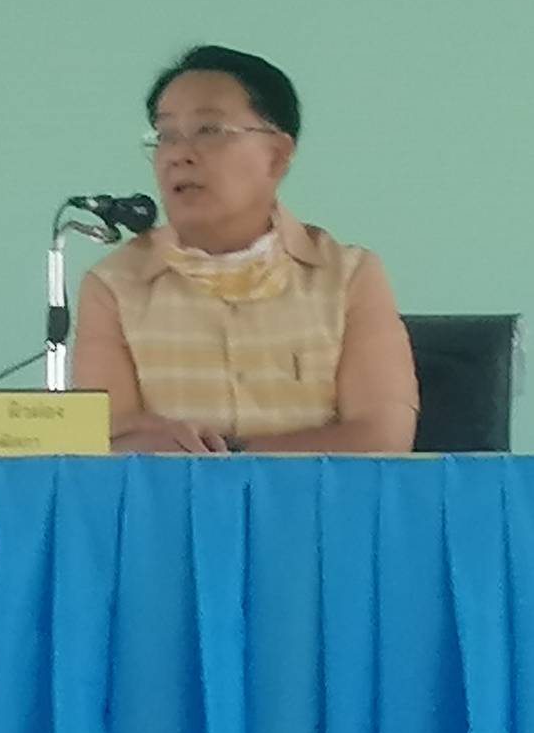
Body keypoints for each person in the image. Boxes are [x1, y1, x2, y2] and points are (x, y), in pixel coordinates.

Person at [73, 45, 418, 454]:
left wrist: (223, 458)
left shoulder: (349, 277)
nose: (178, 155)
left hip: (316, 498)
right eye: (165, 136)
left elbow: (382, 438)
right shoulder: (114, 286)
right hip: (171, 499)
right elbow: (107, 447)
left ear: (277, 155)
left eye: (209, 130)